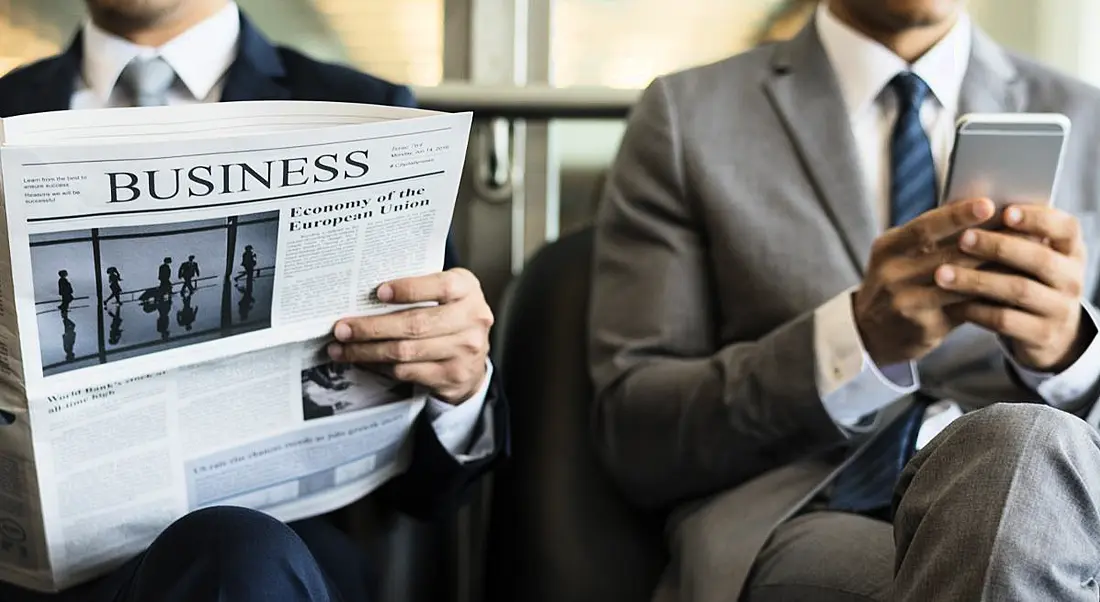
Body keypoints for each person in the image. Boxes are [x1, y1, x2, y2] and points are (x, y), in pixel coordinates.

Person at [589, 1, 1100, 600]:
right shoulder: (687, 117)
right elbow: (635, 433)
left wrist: (1071, 356)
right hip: (816, 508)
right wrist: (853, 340)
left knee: (1023, 456)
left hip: (1065, 508)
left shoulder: (1088, 117)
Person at [0, 1, 506, 601]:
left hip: (275, 570)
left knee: (237, 552)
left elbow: (430, 495)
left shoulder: (367, 115)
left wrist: (460, 387)